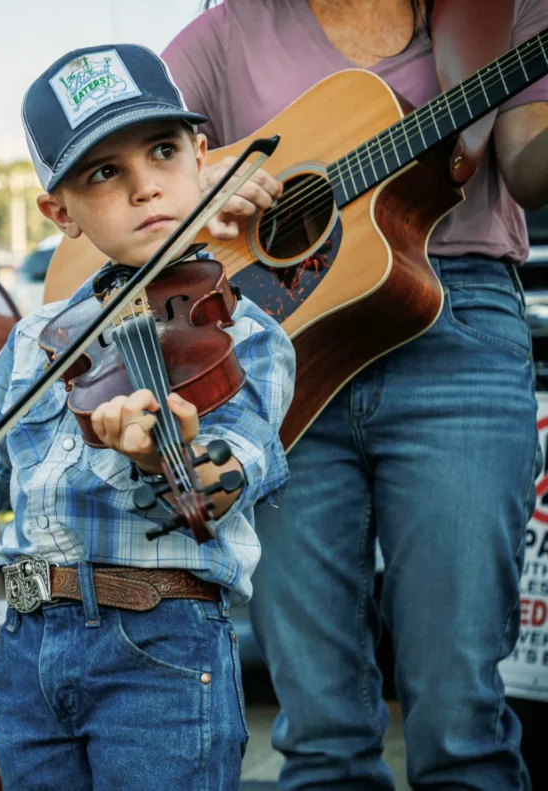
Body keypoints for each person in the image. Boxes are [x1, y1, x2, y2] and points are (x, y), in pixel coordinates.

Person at [0, 43, 295, 791]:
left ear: (202, 157)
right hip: (29, 648)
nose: (144, 189)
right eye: (105, 172)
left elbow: (232, 472)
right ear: (58, 211)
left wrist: (160, 451)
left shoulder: (246, 335)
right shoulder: (40, 340)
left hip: (159, 651)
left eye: (163, 152)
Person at [157, 1, 548, 789]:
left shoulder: (501, 10)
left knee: (462, 720)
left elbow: (532, 173)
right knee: (321, 733)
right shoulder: (226, 33)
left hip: (457, 329)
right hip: (279, 356)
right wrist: (199, 185)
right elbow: (113, 181)